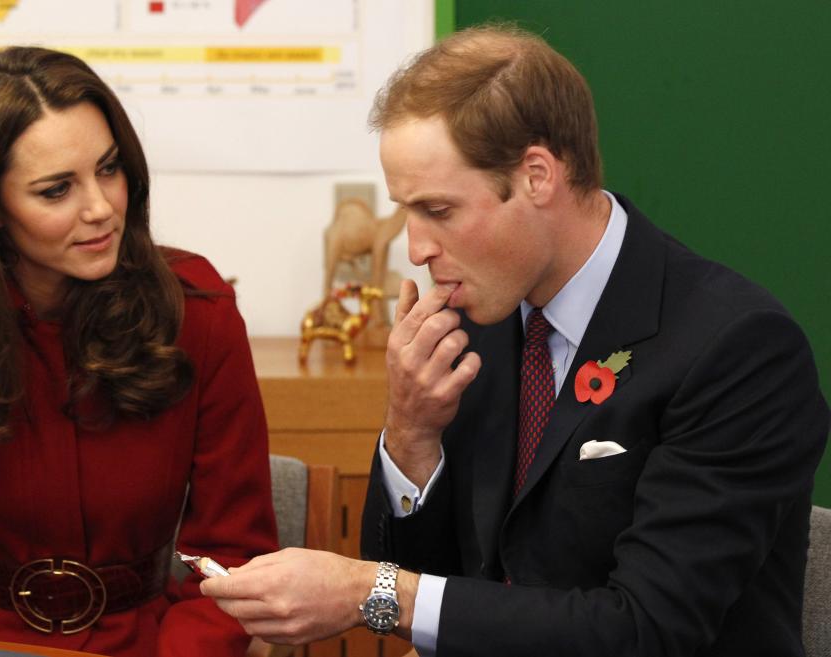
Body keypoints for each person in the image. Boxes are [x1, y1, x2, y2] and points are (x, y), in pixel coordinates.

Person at [200, 24, 830, 656]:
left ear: (536, 176)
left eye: (439, 212)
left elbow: (645, 631)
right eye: (407, 211)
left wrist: (370, 589)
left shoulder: (740, 350)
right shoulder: (481, 316)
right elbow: (431, 586)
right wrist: (412, 433)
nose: (415, 249)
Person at [0, 47, 277, 656]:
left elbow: (234, 559)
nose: (100, 208)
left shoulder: (198, 311)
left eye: (109, 169)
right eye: (56, 189)